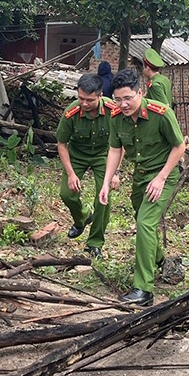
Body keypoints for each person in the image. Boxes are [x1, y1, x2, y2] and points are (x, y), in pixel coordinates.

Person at [98, 69, 185, 306]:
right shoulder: (116, 117)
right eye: (118, 99)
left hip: (162, 174)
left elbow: (179, 147)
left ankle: (143, 290)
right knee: (142, 217)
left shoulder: (161, 113)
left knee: (145, 222)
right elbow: (115, 149)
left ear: (140, 92)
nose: (123, 104)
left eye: (128, 98)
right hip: (140, 176)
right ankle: (159, 259)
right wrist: (106, 182)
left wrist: (161, 178)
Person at [56, 73, 119, 258]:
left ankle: (94, 243)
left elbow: (119, 143)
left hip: (103, 156)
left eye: (89, 100)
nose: (83, 104)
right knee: (67, 194)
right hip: (77, 155)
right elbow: (61, 144)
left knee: (103, 199)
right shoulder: (71, 112)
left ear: (100, 96)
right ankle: (82, 217)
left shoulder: (112, 110)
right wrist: (71, 174)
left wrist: (115, 173)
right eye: (81, 98)